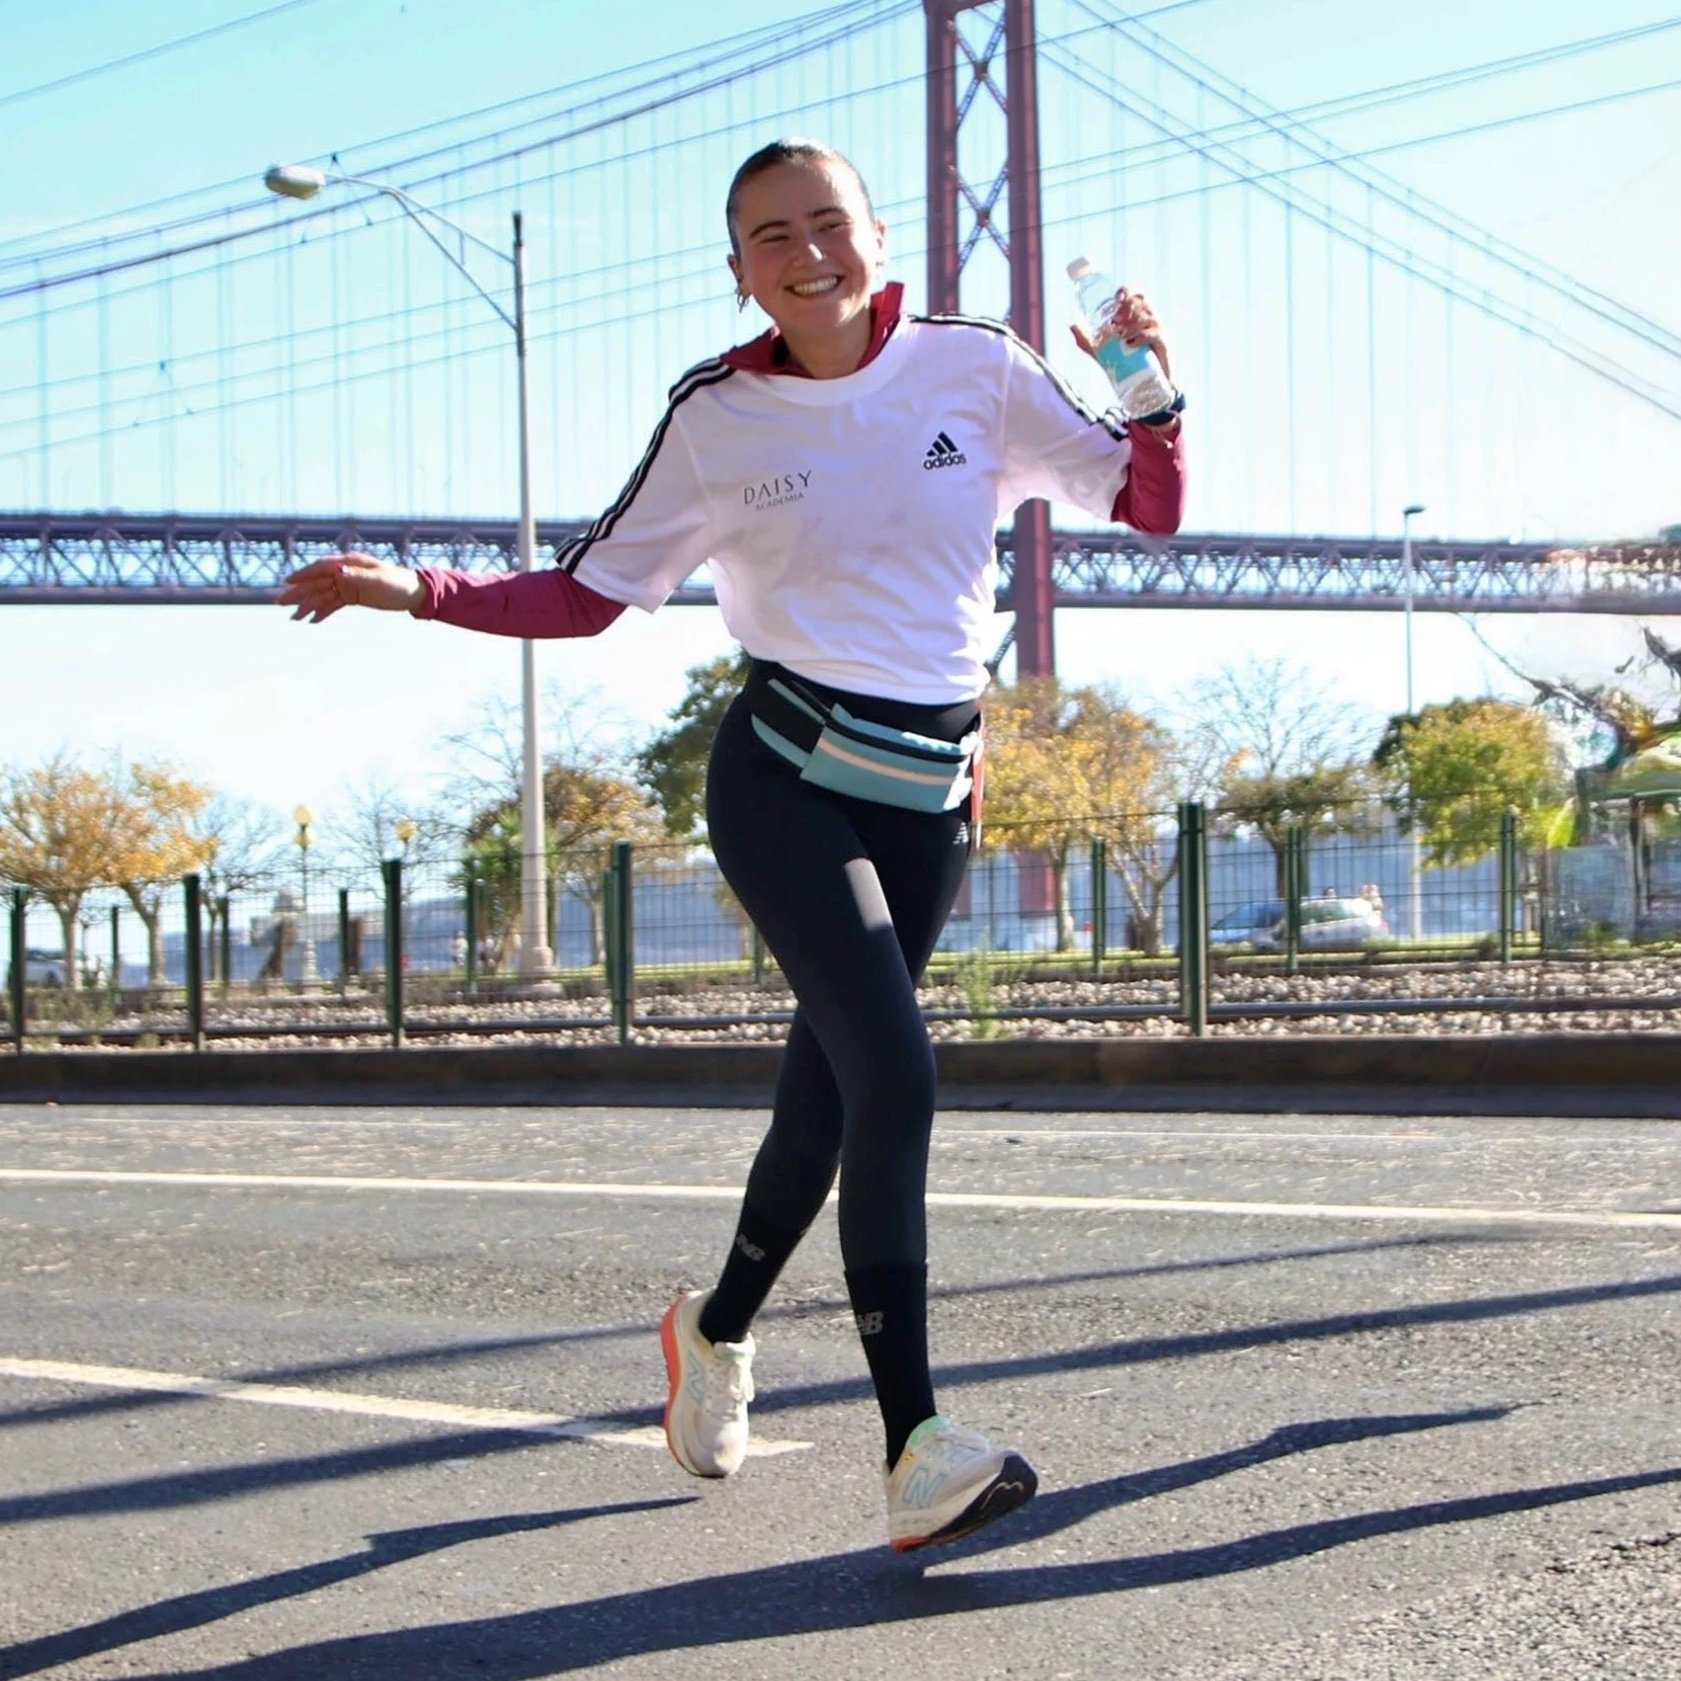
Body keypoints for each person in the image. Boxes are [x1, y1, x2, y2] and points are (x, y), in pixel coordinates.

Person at [278, 137, 1187, 1552]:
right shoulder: (716, 416)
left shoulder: (977, 365)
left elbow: (1147, 502)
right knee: (896, 1071)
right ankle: (915, 1448)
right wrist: (415, 589)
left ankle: (711, 1329)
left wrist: (1155, 394)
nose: (805, 250)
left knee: (826, 1103)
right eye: (771, 235)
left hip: (931, 788)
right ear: (738, 269)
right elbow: (587, 595)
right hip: (783, 773)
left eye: (829, 221)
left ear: (879, 237)